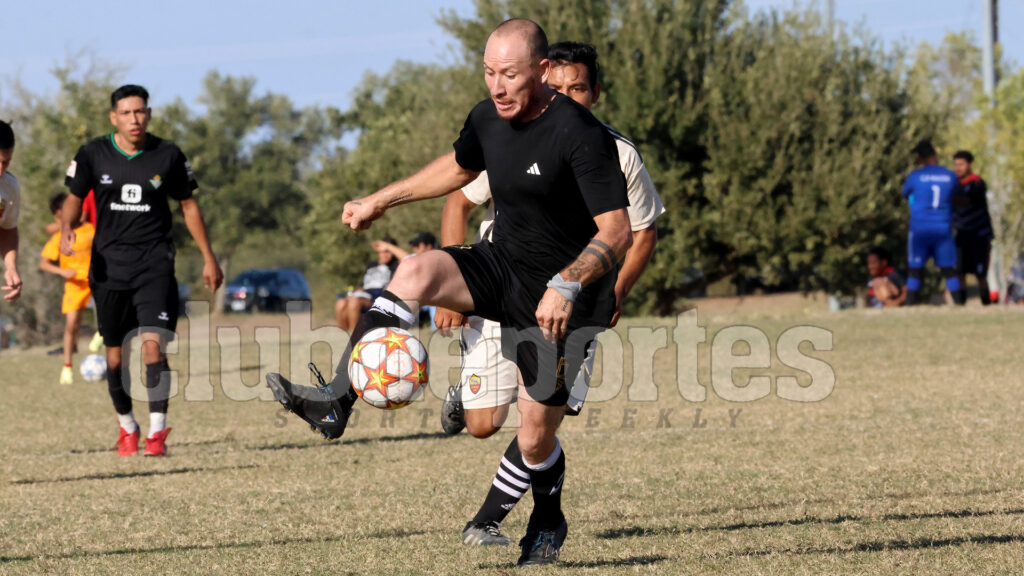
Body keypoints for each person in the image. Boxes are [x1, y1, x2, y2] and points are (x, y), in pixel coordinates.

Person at [265, 19, 632, 566]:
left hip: (563, 302)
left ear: (543, 71)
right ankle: (335, 402)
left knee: (533, 439)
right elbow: (456, 169)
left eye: (509, 74)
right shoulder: (488, 116)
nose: (497, 87)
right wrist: (379, 201)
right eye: (489, 73)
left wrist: (568, 283)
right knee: (414, 271)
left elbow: (618, 231)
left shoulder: (580, 133)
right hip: (502, 265)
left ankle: (549, 517)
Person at [433, 40, 665, 545]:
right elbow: (459, 199)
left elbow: (641, 231)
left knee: (538, 423)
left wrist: (617, 289)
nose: (566, 96)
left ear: (596, 93)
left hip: (572, 308)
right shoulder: (518, 134)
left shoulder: (620, 153)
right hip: (503, 290)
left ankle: (490, 520)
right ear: (540, 82)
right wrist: (452, 287)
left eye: (577, 88)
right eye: (556, 86)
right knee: (480, 425)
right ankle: (464, 399)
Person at [61, 84, 223, 457]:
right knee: (115, 357)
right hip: (108, 267)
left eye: (141, 112)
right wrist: (69, 226)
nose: (135, 119)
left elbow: (189, 207)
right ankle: (127, 427)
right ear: (113, 117)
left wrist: (208, 257)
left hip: (154, 264)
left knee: (153, 348)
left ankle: (156, 433)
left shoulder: (167, 155)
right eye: (127, 113)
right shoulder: (92, 153)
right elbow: (73, 198)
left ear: (148, 114)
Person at [40, 193, 97, 383]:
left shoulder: (90, 229)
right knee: (72, 325)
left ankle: (101, 335)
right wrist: (63, 272)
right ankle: (67, 368)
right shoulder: (59, 236)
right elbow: (44, 263)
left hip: (95, 280)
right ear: (59, 215)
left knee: (108, 311)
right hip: (74, 284)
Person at [902, 140, 963, 306]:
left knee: (915, 269)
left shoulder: (915, 176)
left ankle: (909, 306)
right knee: (949, 268)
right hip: (942, 229)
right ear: (934, 154)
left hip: (919, 229)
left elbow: (906, 193)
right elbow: (957, 197)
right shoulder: (950, 176)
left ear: (919, 158)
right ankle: (958, 304)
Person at [952, 150, 995, 305]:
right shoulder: (953, 183)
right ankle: (961, 305)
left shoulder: (977, 183)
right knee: (959, 272)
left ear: (969, 165)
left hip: (979, 235)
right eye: (956, 164)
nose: (958, 168)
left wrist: (947, 199)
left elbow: (967, 202)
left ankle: (987, 304)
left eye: (961, 164)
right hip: (961, 235)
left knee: (980, 274)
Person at [334, 236, 399, 331]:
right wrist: (356, 293)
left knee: (354, 302)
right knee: (341, 303)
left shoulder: (396, 266)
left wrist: (389, 246)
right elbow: (364, 285)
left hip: (378, 300)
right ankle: (343, 334)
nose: (383, 255)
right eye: (381, 252)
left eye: (387, 251)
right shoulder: (372, 265)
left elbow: (406, 258)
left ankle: (354, 334)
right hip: (363, 295)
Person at [0, 120, 22, 302]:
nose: (0, 170)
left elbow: (7, 230)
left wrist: (11, 268)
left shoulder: (9, 187)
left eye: (5, 163)